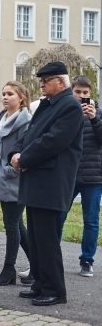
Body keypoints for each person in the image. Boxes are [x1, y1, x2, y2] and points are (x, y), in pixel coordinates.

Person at [12, 62, 83, 306]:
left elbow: (53, 141)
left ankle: (55, 290)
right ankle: (40, 283)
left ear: (61, 82)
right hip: (37, 180)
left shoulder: (70, 106)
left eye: (46, 80)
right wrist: (16, 152)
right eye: (41, 80)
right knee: (37, 238)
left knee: (47, 241)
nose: (41, 84)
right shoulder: (48, 104)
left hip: (51, 182)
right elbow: (30, 134)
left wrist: (25, 158)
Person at [0, 81, 33, 285]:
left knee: (12, 224)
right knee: (16, 224)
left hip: (16, 178)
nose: (5, 97)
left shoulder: (26, 121)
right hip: (2, 176)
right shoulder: (0, 118)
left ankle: (9, 269)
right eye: (3, 93)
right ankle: (38, 266)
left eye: (10, 94)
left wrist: (11, 169)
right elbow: (1, 147)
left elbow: (27, 150)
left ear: (21, 98)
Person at [60, 75, 102, 278]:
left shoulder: (99, 114)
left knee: (91, 220)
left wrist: (94, 119)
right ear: (72, 92)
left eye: (85, 93)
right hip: (69, 174)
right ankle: (52, 257)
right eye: (78, 92)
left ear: (91, 94)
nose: (81, 96)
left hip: (94, 177)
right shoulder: (66, 113)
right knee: (58, 215)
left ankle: (87, 260)